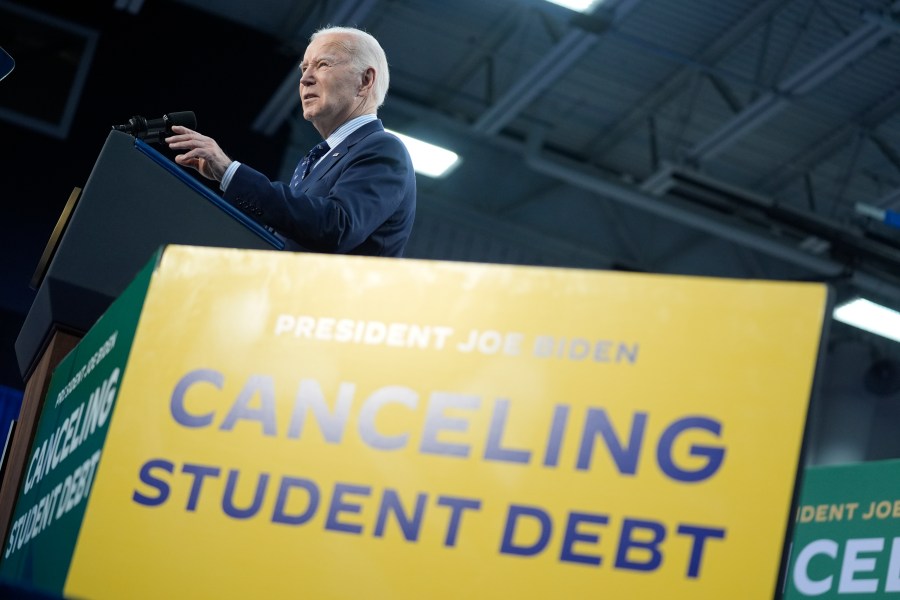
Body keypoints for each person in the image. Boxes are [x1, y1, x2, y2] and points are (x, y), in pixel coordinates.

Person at [165, 26, 416, 257]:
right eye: (304, 68)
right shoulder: (316, 160)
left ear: (365, 81)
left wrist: (231, 173)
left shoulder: (383, 148)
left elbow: (336, 227)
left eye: (323, 64)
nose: (305, 78)